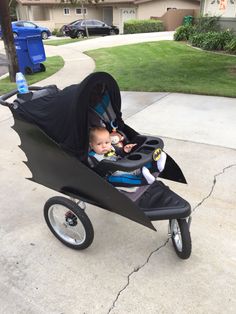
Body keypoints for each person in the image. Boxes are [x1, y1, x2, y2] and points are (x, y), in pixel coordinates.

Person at [88, 127, 166, 185]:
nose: (104, 146)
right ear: (91, 145)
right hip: (111, 173)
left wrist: (124, 150)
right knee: (120, 179)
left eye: (107, 142)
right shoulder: (92, 157)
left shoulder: (111, 147)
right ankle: (143, 180)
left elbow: (119, 152)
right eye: (99, 144)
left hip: (122, 164)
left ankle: (155, 166)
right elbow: (96, 171)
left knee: (135, 164)